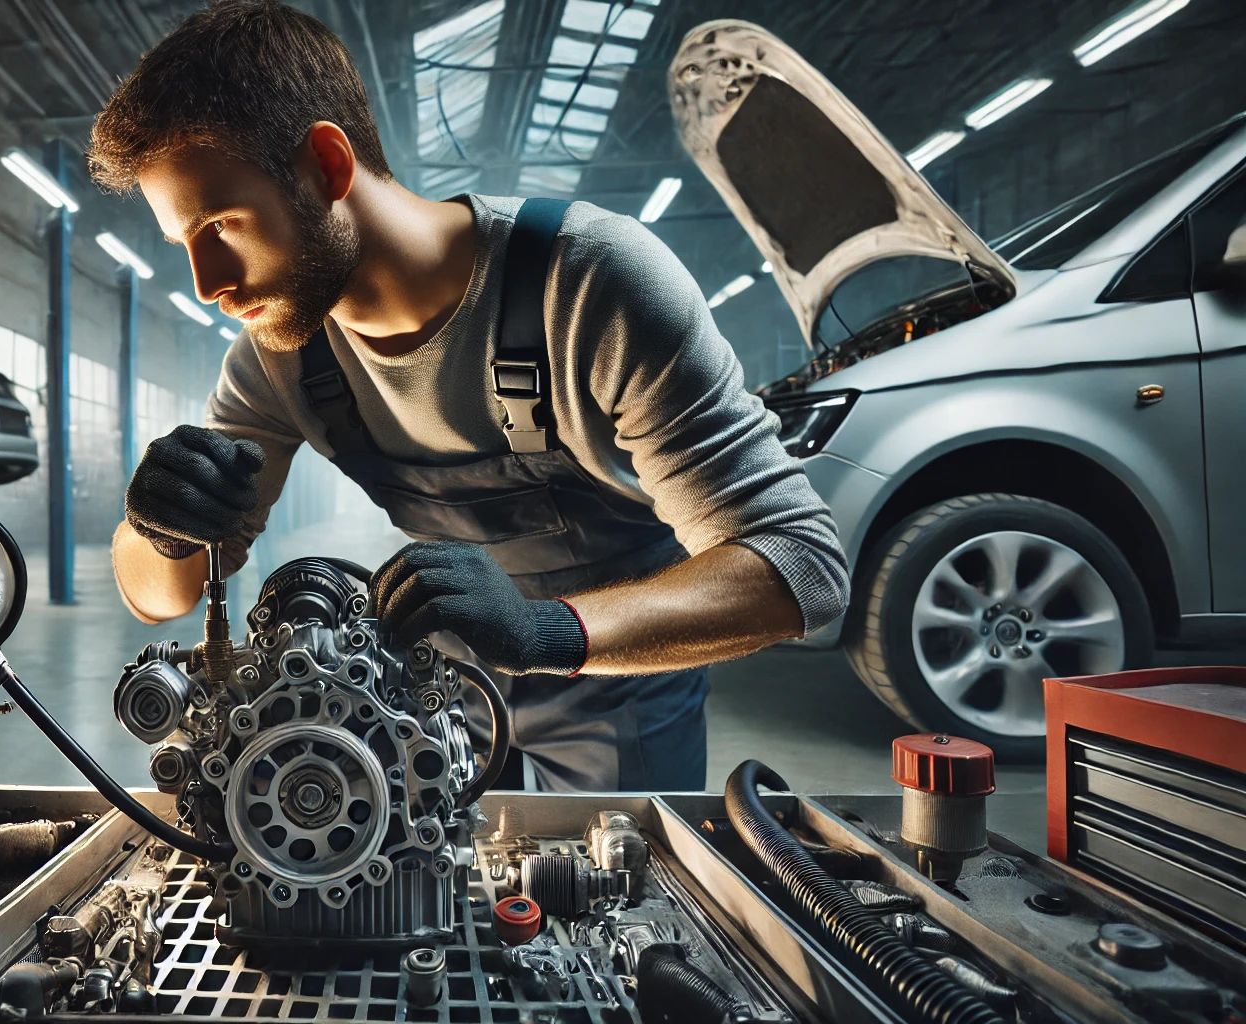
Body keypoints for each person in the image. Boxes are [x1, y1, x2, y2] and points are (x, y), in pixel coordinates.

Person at [87, 0, 848, 792]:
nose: (208, 283)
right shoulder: (280, 358)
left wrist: (545, 631)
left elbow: (800, 569)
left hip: (619, 706)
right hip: (439, 709)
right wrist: (161, 531)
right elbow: (160, 598)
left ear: (326, 166)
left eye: (222, 225)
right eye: (187, 245)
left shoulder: (591, 284)